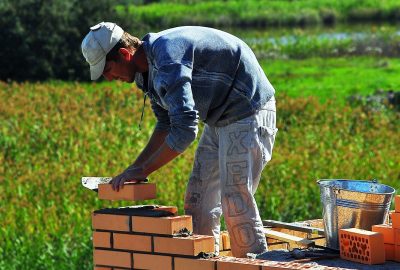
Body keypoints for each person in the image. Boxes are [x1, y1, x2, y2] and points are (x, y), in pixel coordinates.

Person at [81, 22, 278, 258]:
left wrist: (142, 169)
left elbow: (185, 131)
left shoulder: (167, 58)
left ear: (125, 54)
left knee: (235, 200)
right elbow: (167, 124)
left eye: (107, 70)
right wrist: (135, 168)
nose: (109, 78)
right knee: (198, 200)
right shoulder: (145, 75)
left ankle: (254, 263)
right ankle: (205, 262)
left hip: (247, 107)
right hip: (219, 116)